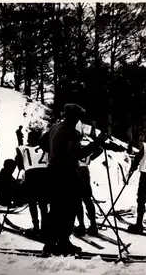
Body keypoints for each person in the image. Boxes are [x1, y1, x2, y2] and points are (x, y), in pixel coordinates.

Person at [39, 103, 107, 257]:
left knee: (56, 208)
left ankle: (50, 243)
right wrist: (97, 143)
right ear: (73, 118)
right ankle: (63, 241)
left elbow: (42, 142)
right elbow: (80, 154)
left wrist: (55, 154)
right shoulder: (70, 132)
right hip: (66, 173)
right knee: (70, 207)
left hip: (53, 170)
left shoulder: (55, 127)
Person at [15, 130, 50, 236]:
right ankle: (44, 227)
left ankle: (36, 227)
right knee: (43, 204)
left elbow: (19, 164)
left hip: (31, 176)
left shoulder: (22, 149)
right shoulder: (46, 148)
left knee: (32, 202)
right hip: (44, 175)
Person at [74, 121, 103, 237]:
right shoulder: (87, 146)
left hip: (76, 170)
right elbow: (99, 149)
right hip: (85, 171)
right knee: (87, 199)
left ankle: (81, 226)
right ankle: (93, 225)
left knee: (77, 200)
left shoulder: (75, 146)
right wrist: (91, 158)